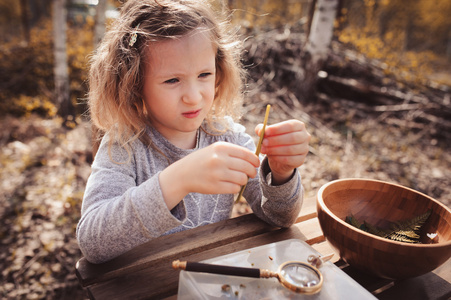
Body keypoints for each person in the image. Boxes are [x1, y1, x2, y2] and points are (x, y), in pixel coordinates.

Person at [76, 0, 311, 264]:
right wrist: (177, 180)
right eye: (172, 80)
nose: (193, 96)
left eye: (204, 74)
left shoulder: (227, 136)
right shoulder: (123, 146)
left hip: (213, 280)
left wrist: (280, 173)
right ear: (135, 84)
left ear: (219, 72)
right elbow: (92, 243)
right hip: (147, 286)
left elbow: (280, 218)